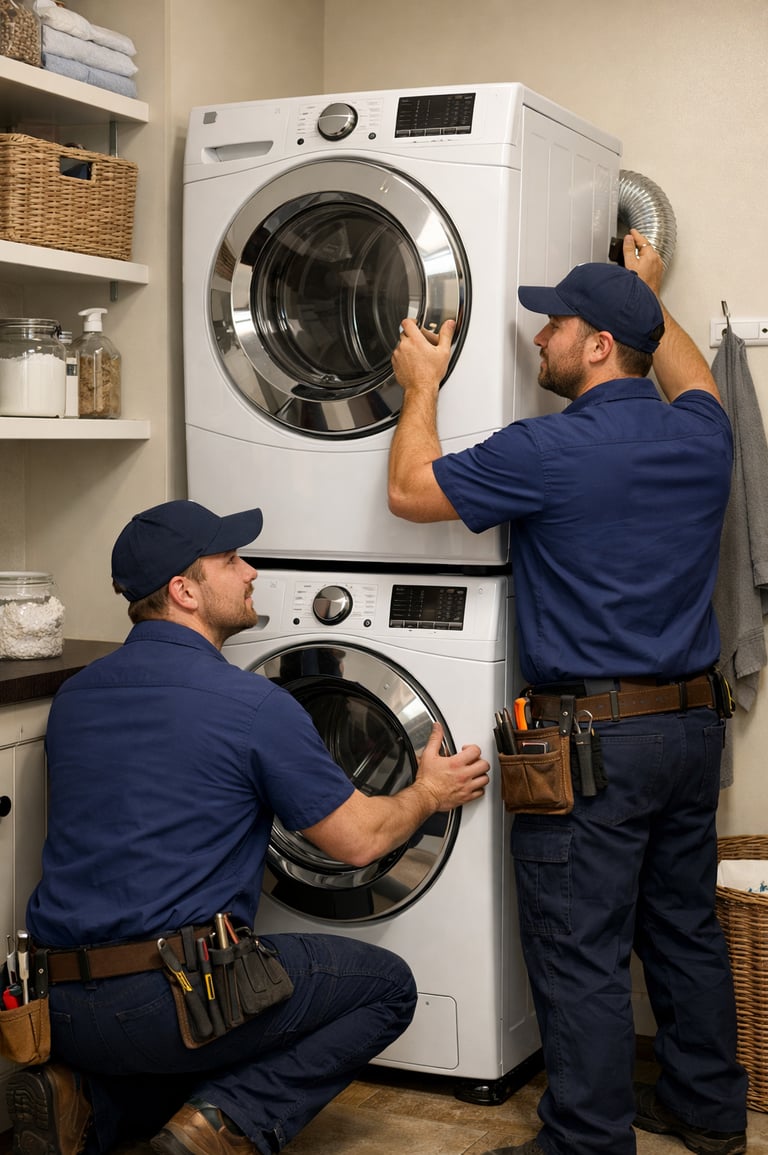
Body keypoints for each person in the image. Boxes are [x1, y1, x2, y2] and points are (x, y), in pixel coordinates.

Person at [387, 228, 748, 1155]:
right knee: (684, 928)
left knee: (581, 947)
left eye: (557, 323)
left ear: (596, 347)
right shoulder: (705, 434)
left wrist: (420, 384)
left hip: (590, 745)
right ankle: (709, 1114)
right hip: (690, 730)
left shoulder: (546, 451)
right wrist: (647, 295)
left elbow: (410, 491)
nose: (538, 337)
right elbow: (692, 372)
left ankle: (585, 1142)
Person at [7, 499, 490, 1155]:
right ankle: (212, 1131)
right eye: (231, 560)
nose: (251, 571)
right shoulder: (252, 704)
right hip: (172, 1001)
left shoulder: (78, 695)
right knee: (385, 989)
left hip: (56, 1007)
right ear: (183, 590)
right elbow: (360, 841)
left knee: (198, 1038)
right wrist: (430, 789)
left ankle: (87, 1104)